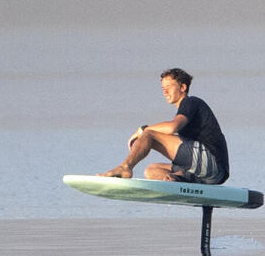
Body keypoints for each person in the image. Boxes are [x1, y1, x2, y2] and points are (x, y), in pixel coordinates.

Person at [99, 68, 231, 184]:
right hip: (213, 175)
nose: (165, 92)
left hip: (212, 163)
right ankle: (179, 179)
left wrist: (143, 130)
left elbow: (172, 127)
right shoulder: (186, 109)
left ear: (183, 88)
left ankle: (125, 168)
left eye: (169, 86)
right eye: (163, 88)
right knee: (151, 171)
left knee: (149, 134)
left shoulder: (190, 102)